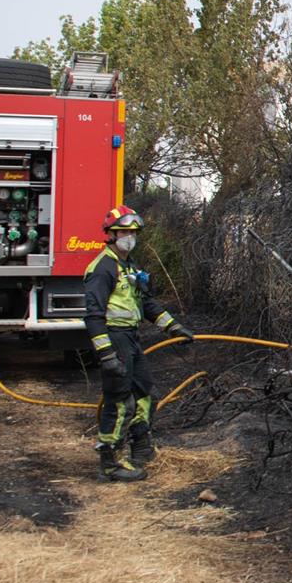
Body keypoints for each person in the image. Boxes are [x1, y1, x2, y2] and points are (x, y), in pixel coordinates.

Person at [83, 205, 194, 481]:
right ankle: (111, 462)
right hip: (114, 338)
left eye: (133, 233)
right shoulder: (102, 269)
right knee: (120, 401)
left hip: (131, 338)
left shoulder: (129, 266)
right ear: (110, 234)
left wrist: (173, 327)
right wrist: (106, 354)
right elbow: (93, 315)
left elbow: (145, 303)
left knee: (144, 393)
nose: (129, 237)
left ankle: (141, 447)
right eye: (124, 232)